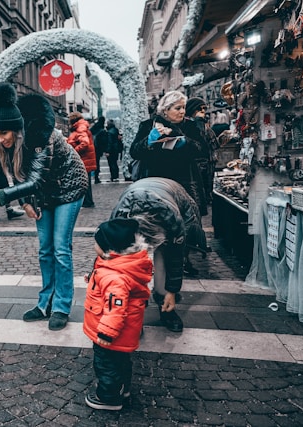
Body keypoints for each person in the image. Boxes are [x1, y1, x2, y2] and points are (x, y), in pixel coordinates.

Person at [0, 83, 88, 331]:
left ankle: (61, 306)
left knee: (60, 249)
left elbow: (35, 178)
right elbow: (18, 175)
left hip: (69, 187)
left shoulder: (41, 136)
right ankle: (44, 303)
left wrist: (0, 196)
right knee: (44, 250)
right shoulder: (3, 146)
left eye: (4, 133)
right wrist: (25, 202)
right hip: (43, 193)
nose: (0, 139)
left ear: (17, 129)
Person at [109, 177, 208, 333]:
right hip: (139, 194)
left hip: (175, 194)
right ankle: (133, 311)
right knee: (129, 261)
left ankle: (164, 303)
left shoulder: (175, 221)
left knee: (166, 253)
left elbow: (175, 259)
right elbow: (115, 259)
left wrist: (172, 292)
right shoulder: (120, 216)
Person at [83, 217, 153, 411]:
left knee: (106, 364)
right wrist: (93, 279)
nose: (94, 246)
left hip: (112, 334)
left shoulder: (114, 277)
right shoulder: (116, 266)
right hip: (123, 332)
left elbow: (116, 307)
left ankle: (108, 397)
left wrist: (106, 332)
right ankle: (123, 389)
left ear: (108, 249)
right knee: (121, 363)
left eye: (96, 243)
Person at [130, 90, 208, 217]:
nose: (182, 111)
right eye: (178, 108)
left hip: (185, 183)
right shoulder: (148, 126)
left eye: (183, 107)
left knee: (187, 221)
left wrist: (184, 142)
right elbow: (134, 152)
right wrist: (149, 141)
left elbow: (203, 151)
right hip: (155, 183)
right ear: (165, 110)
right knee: (158, 222)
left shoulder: (190, 126)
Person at [185, 97, 219, 207]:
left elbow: (212, 143)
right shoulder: (191, 125)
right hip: (200, 164)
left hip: (209, 162)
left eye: (205, 108)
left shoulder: (204, 124)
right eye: (200, 109)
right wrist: (198, 121)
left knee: (208, 189)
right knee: (200, 193)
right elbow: (200, 141)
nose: (204, 111)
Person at [67, 112, 97, 207]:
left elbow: (84, 143)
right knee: (85, 181)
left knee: (84, 182)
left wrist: (74, 151)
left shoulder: (80, 128)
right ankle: (87, 201)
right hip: (85, 159)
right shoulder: (81, 127)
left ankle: (87, 202)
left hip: (83, 160)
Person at [90, 117, 108, 184]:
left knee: (94, 163)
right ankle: (96, 177)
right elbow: (103, 141)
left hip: (92, 148)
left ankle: (94, 176)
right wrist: (104, 150)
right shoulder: (102, 130)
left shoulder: (93, 128)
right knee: (97, 163)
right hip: (98, 149)